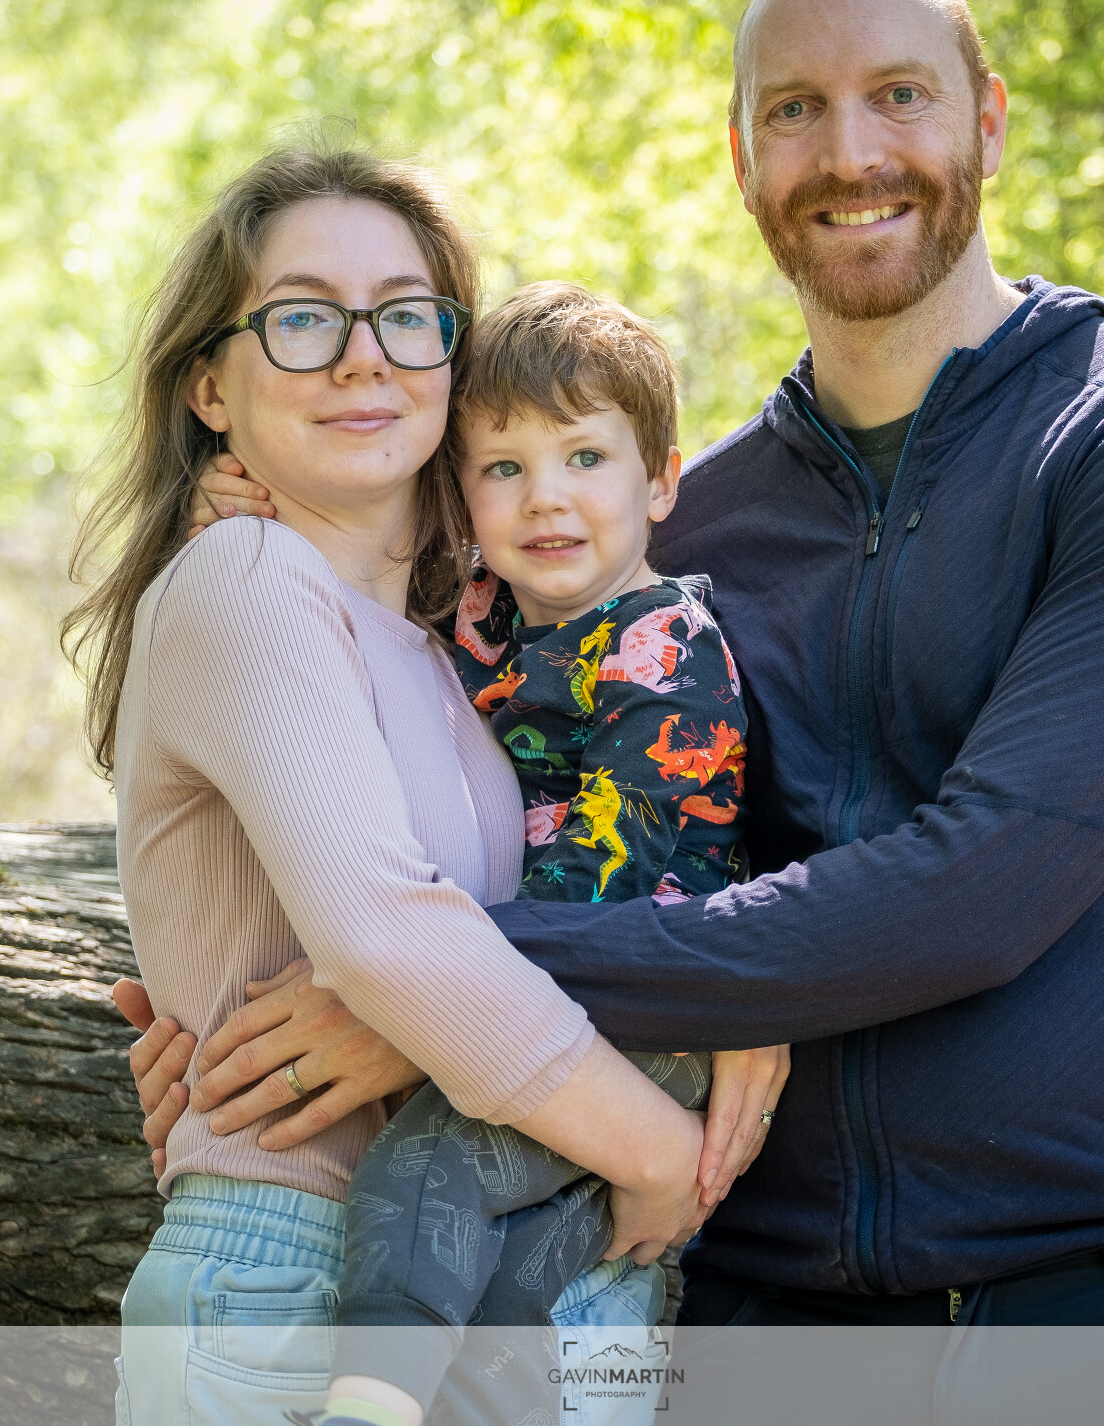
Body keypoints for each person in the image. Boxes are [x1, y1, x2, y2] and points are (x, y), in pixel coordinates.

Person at [144, 0, 1104, 1408]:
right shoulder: (683, 529)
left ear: (989, 119)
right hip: (767, 1314)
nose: (852, 152)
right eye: (795, 109)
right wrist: (220, 1006)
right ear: (743, 155)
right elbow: (440, 766)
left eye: (901, 95)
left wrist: (428, 989)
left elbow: (985, 888)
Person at [73, 147, 782, 1426]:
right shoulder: (247, 580)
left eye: (406, 316)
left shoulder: (462, 650)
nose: (364, 357)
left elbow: (590, 886)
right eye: (303, 320)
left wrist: (740, 997)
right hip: (310, 1275)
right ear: (210, 386)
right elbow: (389, 940)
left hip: (558, 1279)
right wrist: (663, 1149)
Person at [304, 282, 759, 1426]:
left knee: (425, 1172)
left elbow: (596, 887)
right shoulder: (483, 611)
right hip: (545, 1001)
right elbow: (347, 559)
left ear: (660, 481)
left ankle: (363, 1409)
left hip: (644, 1014)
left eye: (584, 457)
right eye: (503, 467)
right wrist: (245, 495)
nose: (544, 496)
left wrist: (417, 994)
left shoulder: (664, 653)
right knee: (516, 1275)